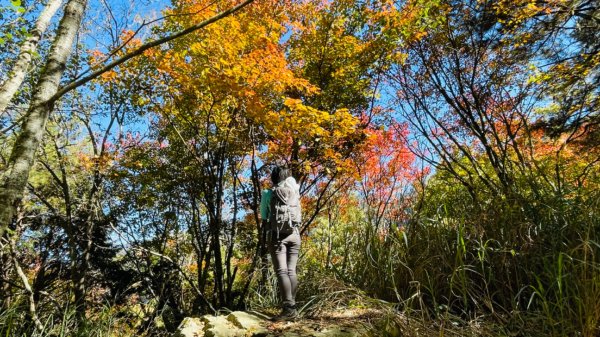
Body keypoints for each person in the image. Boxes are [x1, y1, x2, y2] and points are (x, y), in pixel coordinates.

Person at [266, 166, 301, 320]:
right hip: (295, 235)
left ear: (274, 178)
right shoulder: (295, 191)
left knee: (281, 270)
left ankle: (288, 310)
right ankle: (292, 308)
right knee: (291, 271)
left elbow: (263, 214)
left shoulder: (269, 193)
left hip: (277, 235)